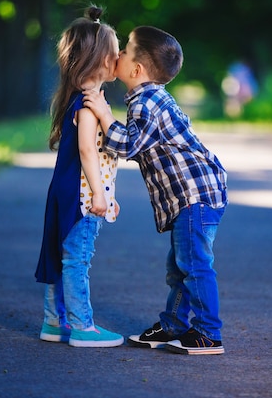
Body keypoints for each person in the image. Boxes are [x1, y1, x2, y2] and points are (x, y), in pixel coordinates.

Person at [83, 26, 228, 355]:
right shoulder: (147, 98)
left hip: (195, 197)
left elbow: (129, 145)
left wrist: (104, 115)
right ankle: (174, 324)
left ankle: (208, 333)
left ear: (136, 69)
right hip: (195, 196)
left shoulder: (147, 103)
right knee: (179, 266)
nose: (116, 54)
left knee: (194, 265)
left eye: (124, 51)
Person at [34, 6, 123, 348]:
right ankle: (83, 327)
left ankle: (54, 322)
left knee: (62, 256)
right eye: (116, 54)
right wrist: (99, 196)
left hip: (67, 191)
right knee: (77, 260)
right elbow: (89, 152)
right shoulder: (88, 107)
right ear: (102, 61)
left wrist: (108, 194)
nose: (120, 60)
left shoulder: (81, 100)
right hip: (81, 198)